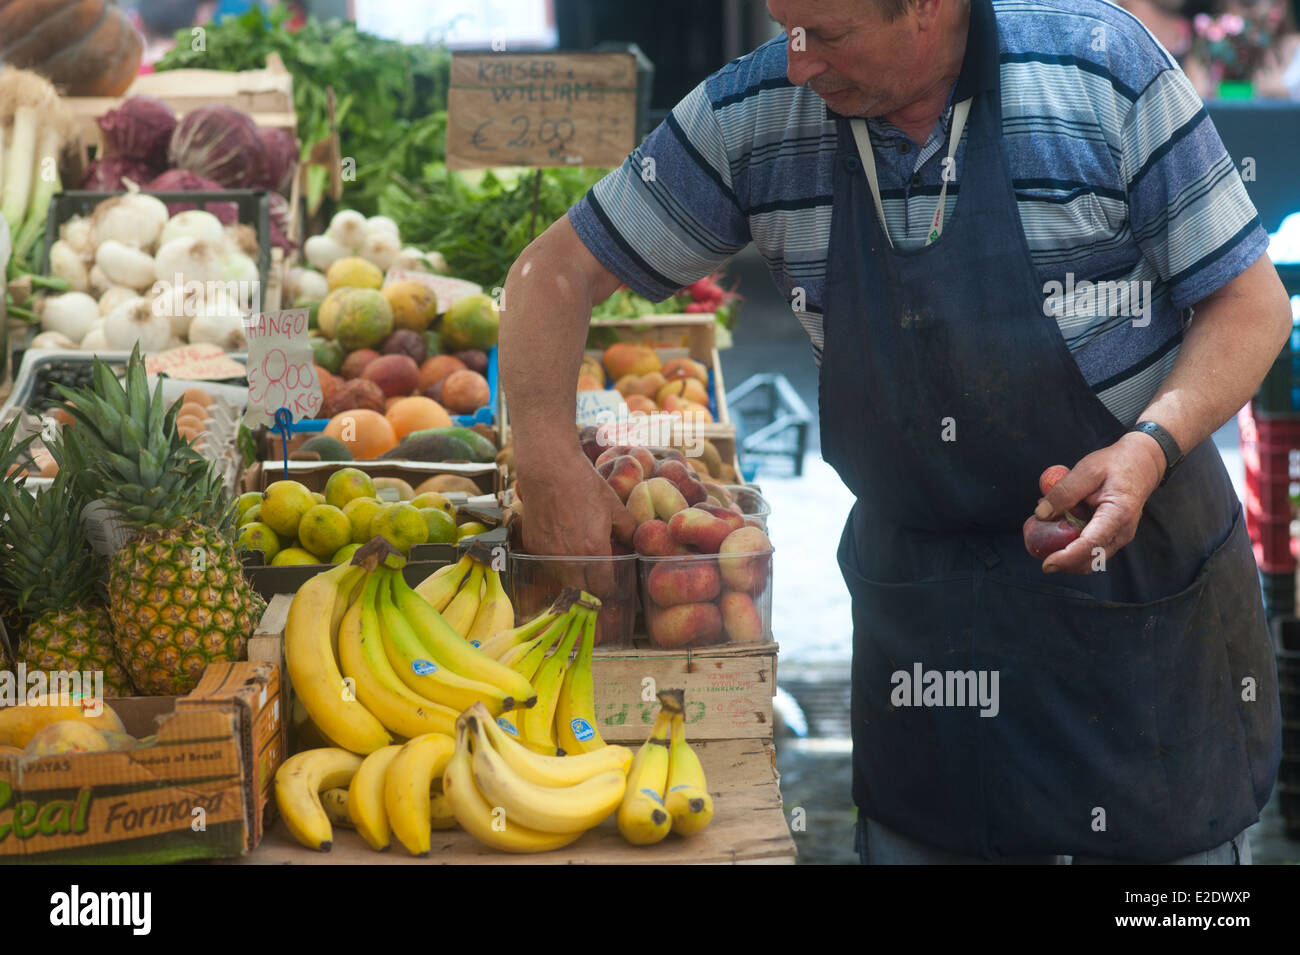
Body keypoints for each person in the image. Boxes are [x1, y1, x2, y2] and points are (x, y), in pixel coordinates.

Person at [499, 0, 1291, 864]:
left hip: (1136, 603)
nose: (798, 62)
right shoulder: (756, 114)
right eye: (785, 28)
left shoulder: (1098, 69)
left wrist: (1150, 445)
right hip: (927, 621)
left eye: (827, 36)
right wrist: (544, 456)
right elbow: (551, 273)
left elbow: (1248, 306)